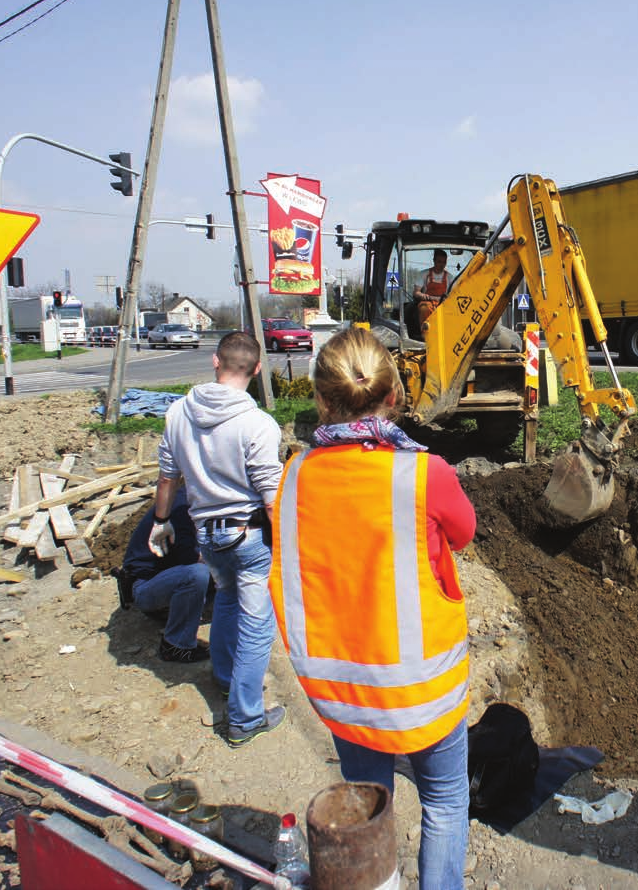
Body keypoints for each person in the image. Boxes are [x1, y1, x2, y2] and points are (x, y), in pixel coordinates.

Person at [270, 327, 476, 890]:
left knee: (366, 802)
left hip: (343, 690)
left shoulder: (295, 477)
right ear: (394, 395)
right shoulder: (423, 473)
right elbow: (463, 533)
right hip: (422, 689)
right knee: (445, 800)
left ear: (319, 399)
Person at [152, 330, 286, 748]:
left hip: (206, 535)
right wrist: (286, 542)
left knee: (226, 598)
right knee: (258, 624)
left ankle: (226, 678)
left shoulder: (177, 413)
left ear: (216, 361)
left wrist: (161, 521)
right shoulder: (258, 424)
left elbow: (167, 476)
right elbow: (270, 493)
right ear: (257, 369)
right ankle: (245, 718)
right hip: (246, 535)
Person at [117, 491, 212, 664]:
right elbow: (189, 556)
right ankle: (176, 646)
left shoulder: (195, 498)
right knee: (198, 574)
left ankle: (182, 608)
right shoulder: (183, 509)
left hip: (167, 575)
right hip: (144, 586)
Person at [413, 249, 451, 323]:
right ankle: (425, 331)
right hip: (428, 303)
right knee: (424, 309)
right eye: (439, 262)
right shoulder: (423, 274)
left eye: (444, 262)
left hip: (444, 304)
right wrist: (422, 295)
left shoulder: (450, 277)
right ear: (434, 260)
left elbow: (454, 294)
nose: (442, 265)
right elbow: (416, 292)